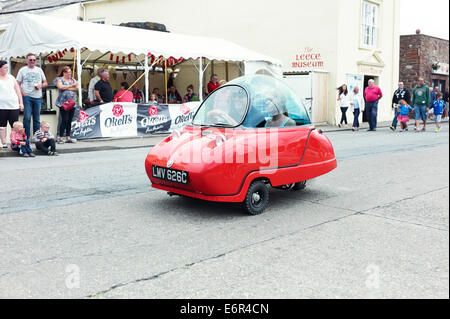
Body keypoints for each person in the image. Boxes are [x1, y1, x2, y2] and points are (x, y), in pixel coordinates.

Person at [16, 53, 48, 139]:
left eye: (34, 60)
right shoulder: (22, 70)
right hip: (27, 96)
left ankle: (36, 137)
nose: (32, 61)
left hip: (38, 97)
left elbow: (45, 83)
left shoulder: (39, 70)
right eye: (30, 60)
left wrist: (40, 85)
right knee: (27, 118)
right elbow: (17, 84)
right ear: (27, 60)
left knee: (37, 119)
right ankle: (26, 137)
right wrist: (23, 93)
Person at [0, 60, 24, 149]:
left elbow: (18, 90)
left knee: (14, 125)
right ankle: (4, 142)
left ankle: (15, 142)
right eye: (5, 67)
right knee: (2, 126)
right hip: (1, 106)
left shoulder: (11, 77)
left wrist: (21, 103)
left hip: (13, 105)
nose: (6, 69)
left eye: (7, 67)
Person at [54, 66, 78, 144]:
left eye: (70, 73)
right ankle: (60, 136)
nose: (70, 74)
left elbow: (76, 88)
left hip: (72, 102)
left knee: (69, 120)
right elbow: (60, 87)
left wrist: (67, 87)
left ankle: (68, 136)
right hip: (63, 103)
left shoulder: (73, 80)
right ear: (64, 73)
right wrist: (71, 86)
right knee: (64, 119)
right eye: (68, 73)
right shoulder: (59, 79)